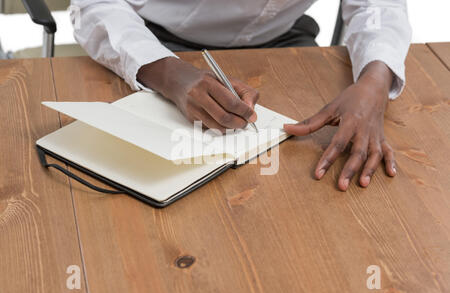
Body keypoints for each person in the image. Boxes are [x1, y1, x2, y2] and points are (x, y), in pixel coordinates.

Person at [70, 0, 411, 191]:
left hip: (281, 41)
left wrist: (375, 81)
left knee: (295, 184)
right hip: (148, 42)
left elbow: (378, 5)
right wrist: (168, 74)